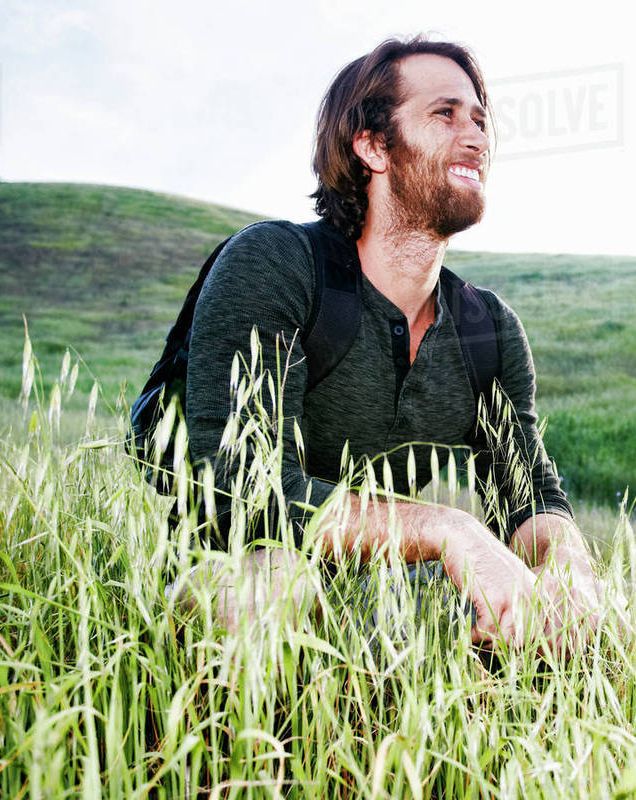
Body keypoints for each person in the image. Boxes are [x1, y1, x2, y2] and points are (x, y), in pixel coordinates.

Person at [181, 35, 607, 657]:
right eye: (446, 114)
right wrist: (446, 528)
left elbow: (530, 497)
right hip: (231, 567)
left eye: (481, 121)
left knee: (583, 612)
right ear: (373, 145)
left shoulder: (488, 329)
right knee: (274, 593)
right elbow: (238, 485)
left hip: (381, 589)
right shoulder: (276, 266)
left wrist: (570, 566)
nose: (477, 137)